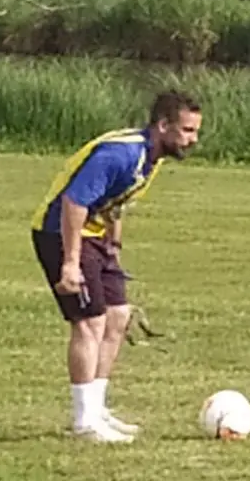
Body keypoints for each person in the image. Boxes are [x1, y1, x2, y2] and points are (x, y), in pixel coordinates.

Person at [30, 90, 203, 443]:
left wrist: (114, 244)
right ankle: (83, 421)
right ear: (163, 125)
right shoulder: (120, 154)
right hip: (59, 232)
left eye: (195, 131)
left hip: (96, 236)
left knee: (118, 316)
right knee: (90, 321)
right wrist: (70, 263)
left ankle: (97, 408)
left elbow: (115, 202)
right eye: (186, 130)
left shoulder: (152, 157)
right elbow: (74, 204)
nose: (193, 139)